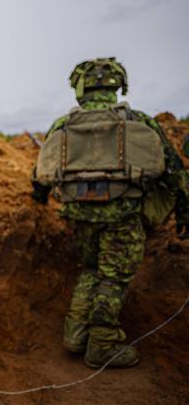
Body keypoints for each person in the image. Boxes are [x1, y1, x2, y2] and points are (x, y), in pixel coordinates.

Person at [32, 57, 189, 368]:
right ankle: (102, 344)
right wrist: (183, 211)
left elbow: (39, 177)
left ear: (80, 88)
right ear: (117, 85)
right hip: (124, 216)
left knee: (91, 269)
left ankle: (75, 335)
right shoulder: (138, 120)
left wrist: (39, 199)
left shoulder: (62, 125)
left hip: (79, 217)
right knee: (113, 278)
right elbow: (174, 173)